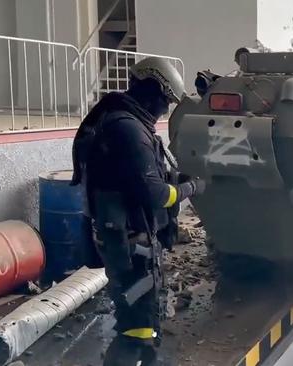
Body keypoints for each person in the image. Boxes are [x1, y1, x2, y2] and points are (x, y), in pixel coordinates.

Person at [71, 57, 205, 365]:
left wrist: (174, 178)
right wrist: (191, 188)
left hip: (125, 235)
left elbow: (132, 177)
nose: (165, 108)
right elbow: (156, 195)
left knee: (134, 310)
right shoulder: (129, 129)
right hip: (131, 241)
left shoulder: (120, 120)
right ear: (154, 91)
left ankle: (136, 352)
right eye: (166, 100)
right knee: (139, 318)